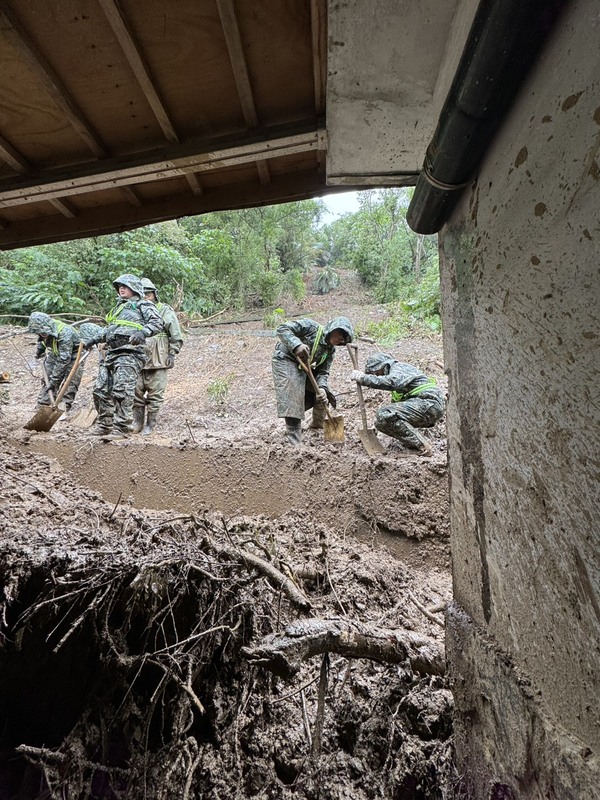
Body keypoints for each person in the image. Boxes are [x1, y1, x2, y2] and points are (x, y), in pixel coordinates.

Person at [83, 274, 163, 440]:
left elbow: (157, 322)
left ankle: (121, 428)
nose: (121, 288)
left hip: (130, 353)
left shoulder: (143, 304)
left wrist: (143, 332)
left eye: (125, 286)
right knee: (100, 390)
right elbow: (110, 330)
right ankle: (105, 425)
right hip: (112, 354)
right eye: (119, 286)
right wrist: (92, 340)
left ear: (134, 288)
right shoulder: (118, 309)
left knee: (123, 391)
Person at [272, 316, 354, 446]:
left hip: (305, 366)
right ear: (334, 329)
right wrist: (296, 345)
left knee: (322, 395)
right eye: (341, 336)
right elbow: (282, 328)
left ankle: (316, 426)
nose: (341, 341)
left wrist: (322, 387)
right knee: (293, 396)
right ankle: (294, 443)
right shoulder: (310, 327)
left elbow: (323, 372)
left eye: (343, 341)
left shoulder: (330, 350)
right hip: (286, 359)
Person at [351, 353, 444, 456]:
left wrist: (364, 379)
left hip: (428, 402)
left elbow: (392, 382)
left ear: (382, 367)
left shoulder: (399, 368)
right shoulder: (398, 383)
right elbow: (394, 414)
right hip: (425, 406)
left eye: (376, 373)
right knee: (381, 423)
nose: (377, 376)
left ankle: (423, 446)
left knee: (384, 413)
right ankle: (413, 447)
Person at [132, 277, 184, 435]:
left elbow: (175, 334)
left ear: (155, 294)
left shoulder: (164, 310)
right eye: (143, 294)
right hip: (138, 359)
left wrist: (172, 353)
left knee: (156, 395)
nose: (146, 297)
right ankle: (137, 423)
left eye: (148, 294)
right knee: (135, 392)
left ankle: (150, 426)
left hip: (159, 360)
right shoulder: (134, 311)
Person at [28, 312, 82, 412]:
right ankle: (44, 403)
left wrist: (54, 381)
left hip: (75, 353)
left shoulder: (65, 333)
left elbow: (64, 360)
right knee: (47, 378)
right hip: (55, 351)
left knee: (71, 380)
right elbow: (42, 340)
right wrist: (40, 350)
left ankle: (64, 406)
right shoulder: (42, 330)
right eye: (40, 333)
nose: (42, 334)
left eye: (44, 332)